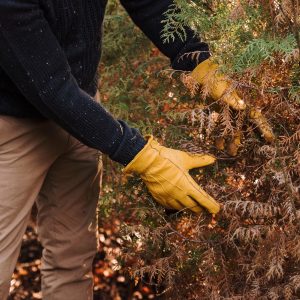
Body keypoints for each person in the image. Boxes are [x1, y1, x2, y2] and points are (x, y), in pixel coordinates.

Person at [0, 1, 274, 299]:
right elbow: (52, 89)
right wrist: (142, 156)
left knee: (72, 255)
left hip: (85, 111)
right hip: (13, 128)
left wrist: (200, 63)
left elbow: (147, 3)